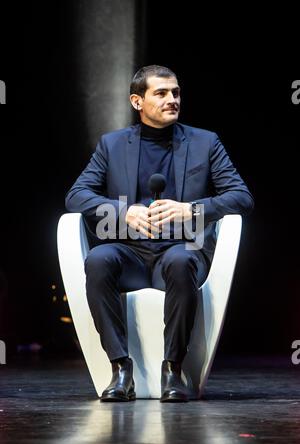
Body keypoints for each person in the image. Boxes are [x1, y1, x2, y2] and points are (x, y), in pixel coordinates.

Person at [65, 65, 254, 403]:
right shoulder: (112, 145)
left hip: (182, 248)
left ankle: (173, 369)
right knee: (98, 259)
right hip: (131, 254)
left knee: (181, 261)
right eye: (162, 93)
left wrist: (191, 210)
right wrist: (125, 212)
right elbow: (76, 195)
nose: (172, 100)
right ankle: (121, 368)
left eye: (176, 93)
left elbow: (241, 197)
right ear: (137, 101)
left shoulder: (205, 142)